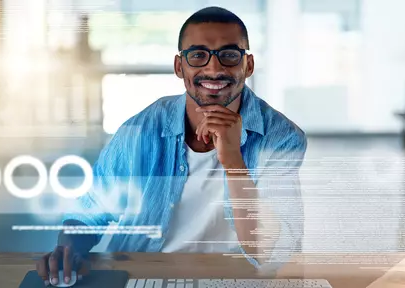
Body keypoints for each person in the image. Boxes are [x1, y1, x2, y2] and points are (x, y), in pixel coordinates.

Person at [37, 6, 307, 286]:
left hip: (237, 279)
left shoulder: (282, 137)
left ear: (248, 65)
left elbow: (268, 251)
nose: (214, 69)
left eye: (229, 55)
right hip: (144, 276)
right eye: (198, 55)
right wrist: (68, 250)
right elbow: (90, 211)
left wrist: (234, 162)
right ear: (180, 67)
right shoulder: (140, 130)